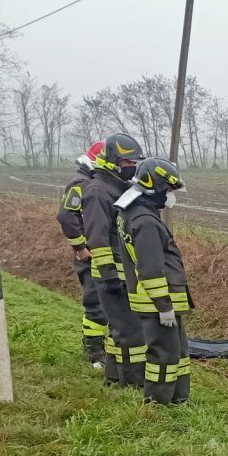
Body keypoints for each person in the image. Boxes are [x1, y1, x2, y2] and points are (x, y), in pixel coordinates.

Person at [115, 157, 191, 405]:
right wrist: (164, 306)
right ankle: (157, 402)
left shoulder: (134, 212)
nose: (169, 196)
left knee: (177, 352)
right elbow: (150, 268)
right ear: (154, 186)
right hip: (157, 303)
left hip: (156, 301)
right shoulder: (146, 222)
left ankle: (179, 398)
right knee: (164, 354)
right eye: (168, 190)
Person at [82, 133, 146, 386]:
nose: (132, 167)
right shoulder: (99, 191)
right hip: (112, 275)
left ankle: (115, 376)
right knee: (128, 331)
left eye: (135, 163)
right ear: (114, 161)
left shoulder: (117, 187)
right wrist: (109, 274)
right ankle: (129, 381)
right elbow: (97, 238)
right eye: (129, 162)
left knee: (121, 330)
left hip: (123, 273)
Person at [56, 140, 107, 367]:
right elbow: (67, 216)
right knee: (95, 303)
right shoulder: (81, 184)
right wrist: (81, 249)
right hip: (89, 256)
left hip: (99, 253)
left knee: (104, 302)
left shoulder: (93, 183)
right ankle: (94, 354)